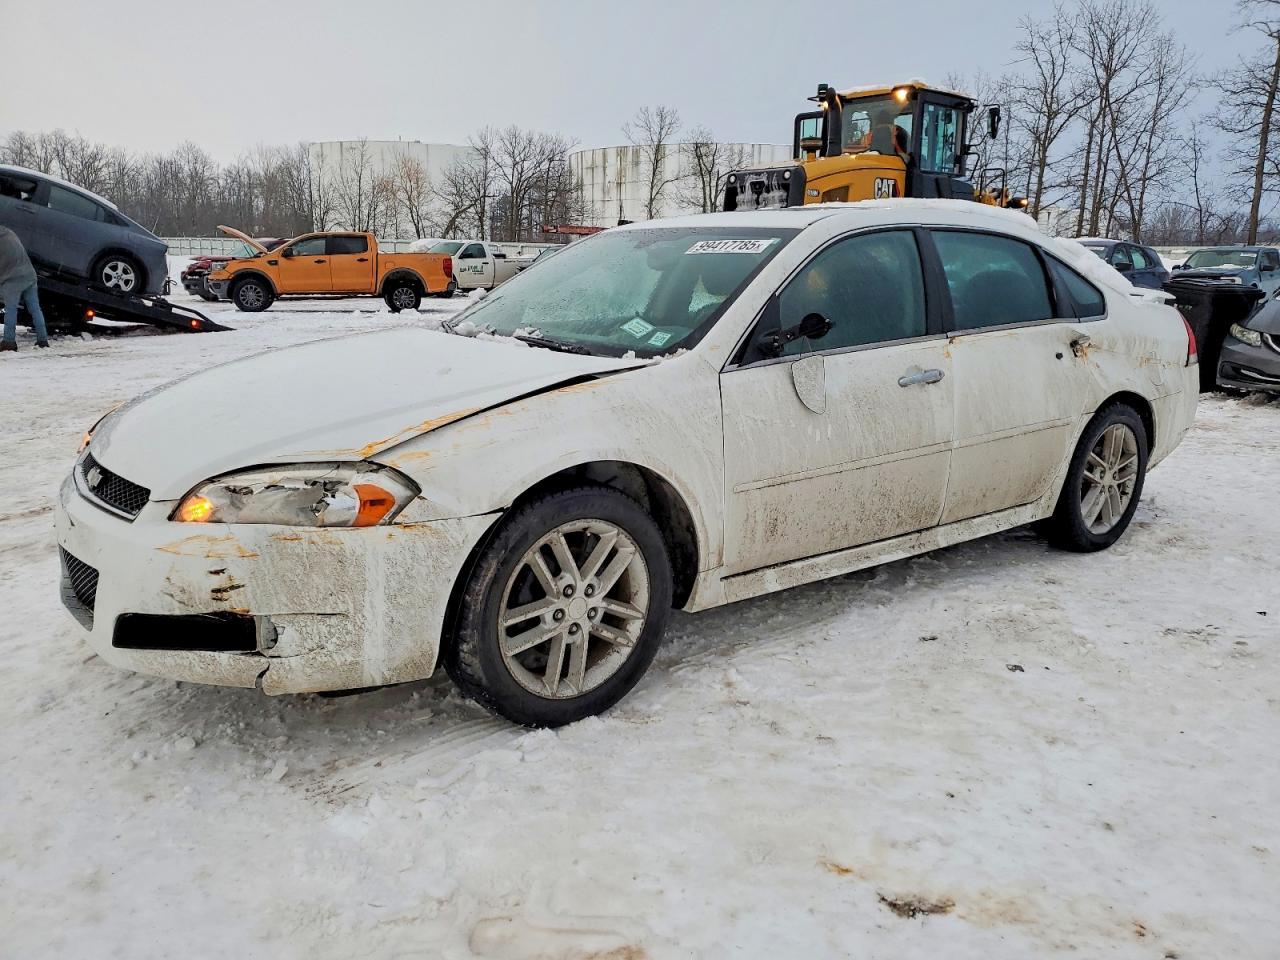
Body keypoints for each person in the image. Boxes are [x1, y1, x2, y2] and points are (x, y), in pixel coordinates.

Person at [0, 225, 49, 352]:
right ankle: (43, 339)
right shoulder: (9, 233)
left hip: (12, 279)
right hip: (29, 275)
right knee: (35, 309)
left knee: (10, 310)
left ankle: (9, 341)